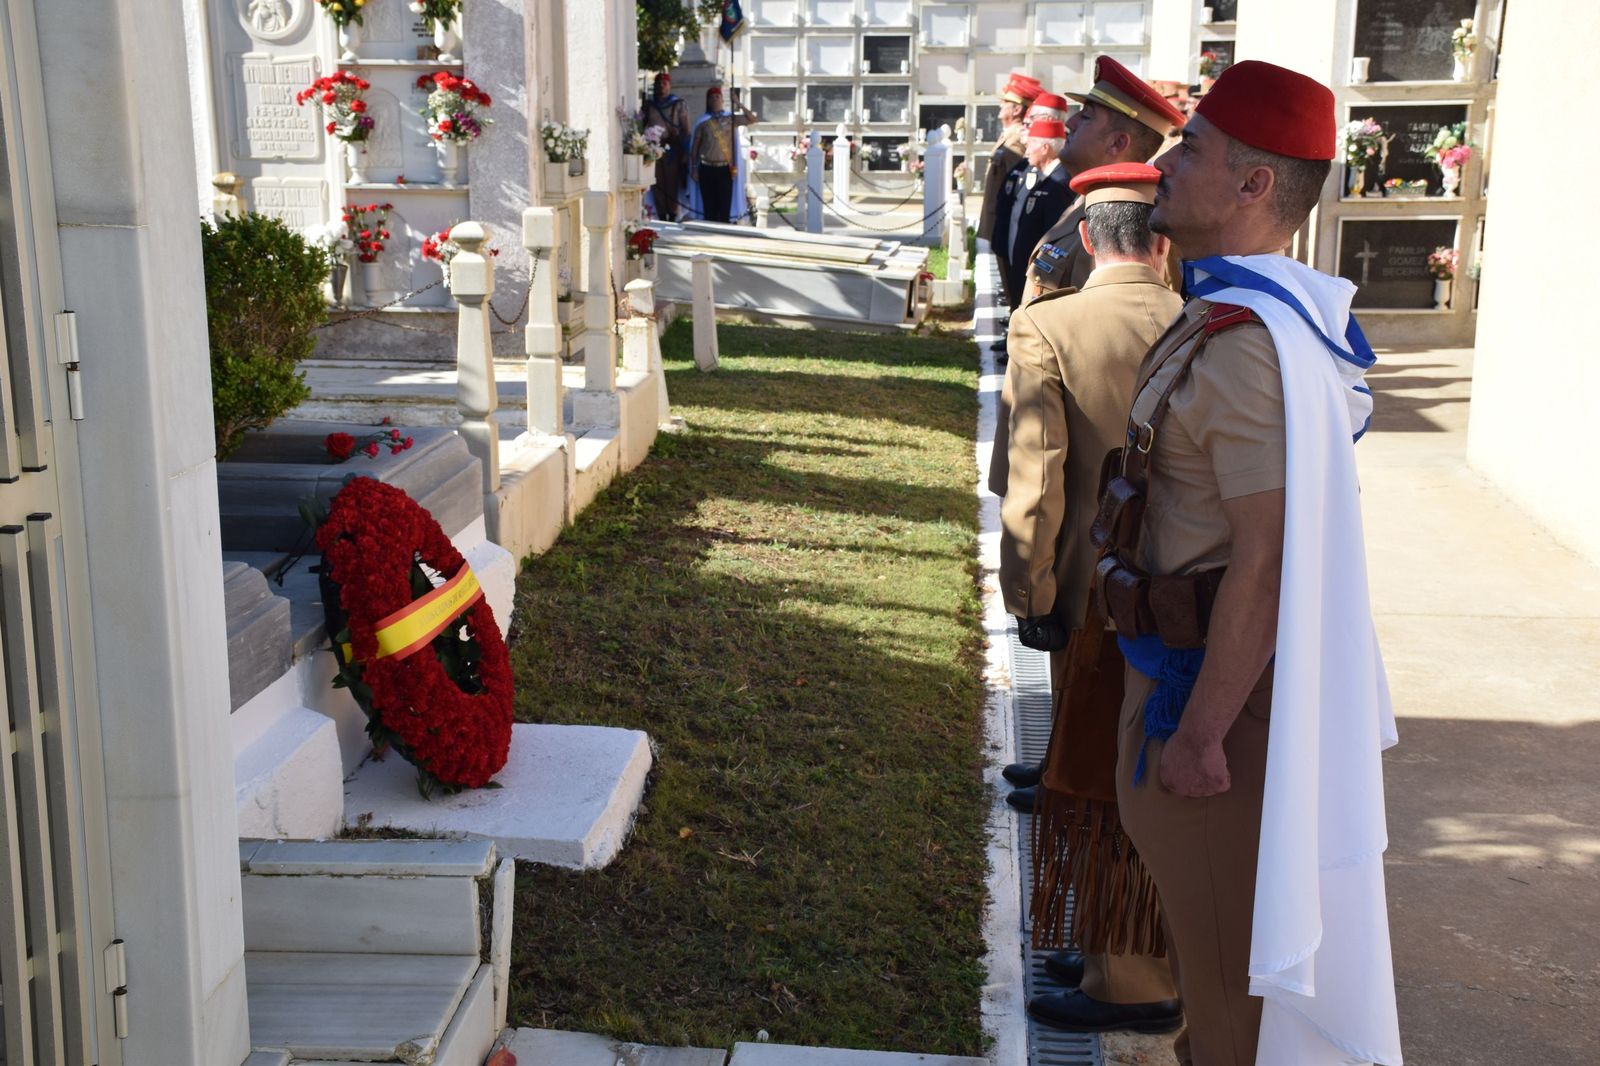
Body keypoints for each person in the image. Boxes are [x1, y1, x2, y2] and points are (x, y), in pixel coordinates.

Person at [1098, 60, 1402, 1064]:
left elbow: (1265, 566)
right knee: (1210, 983)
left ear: (1253, 186)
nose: (1161, 162)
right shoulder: (1244, 317)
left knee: (1234, 1016)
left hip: (1217, 715)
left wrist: (1199, 735)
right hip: (1190, 681)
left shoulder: (1248, 344)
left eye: (1190, 148)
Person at [1000, 162, 1184, 1036]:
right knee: (1135, 777)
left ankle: (1131, 979)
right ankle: (1123, 946)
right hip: (1181, 589)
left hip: (1095, 587)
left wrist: (1029, 588)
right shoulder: (1202, 321)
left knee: (1101, 783)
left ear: (1083, 239)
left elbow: (1036, 479)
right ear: (1161, 243)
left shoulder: (1050, 326)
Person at [1025, 56, 1186, 302]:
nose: (1070, 122)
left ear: (1118, 143)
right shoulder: (1086, 199)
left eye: (1086, 116)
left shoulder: (1137, 220)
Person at [995, 118, 1073, 321]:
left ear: (1045, 148)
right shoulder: (1038, 174)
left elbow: (1055, 231)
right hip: (1021, 257)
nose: (1026, 149)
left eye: (1031, 144)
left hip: (1040, 266)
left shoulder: (1060, 181)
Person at [977, 72, 1040, 250]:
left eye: (1005, 102)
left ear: (1017, 110)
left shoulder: (1019, 137)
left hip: (1006, 222)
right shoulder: (1010, 135)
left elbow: (1019, 184)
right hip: (999, 219)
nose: (1000, 105)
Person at [688, 86, 758, 224]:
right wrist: (694, 168)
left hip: (725, 169)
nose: (715, 100)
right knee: (709, 209)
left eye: (717, 97)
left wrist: (737, 103)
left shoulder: (731, 118)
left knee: (724, 208)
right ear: (707, 101)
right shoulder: (702, 122)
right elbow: (694, 148)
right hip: (706, 169)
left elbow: (752, 119)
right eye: (712, 97)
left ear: (722, 100)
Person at [644, 73, 691, 222]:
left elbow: (686, 130)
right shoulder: (649, 105)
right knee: (657, 182)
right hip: (653, 147)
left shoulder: (678, 104)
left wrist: (686, 152)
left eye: (664, 83)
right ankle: (661, 213)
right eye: (658, 83)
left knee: (671, 182)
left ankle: (673, 214)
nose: (661, 86)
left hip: (672, 148)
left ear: (669, 85)